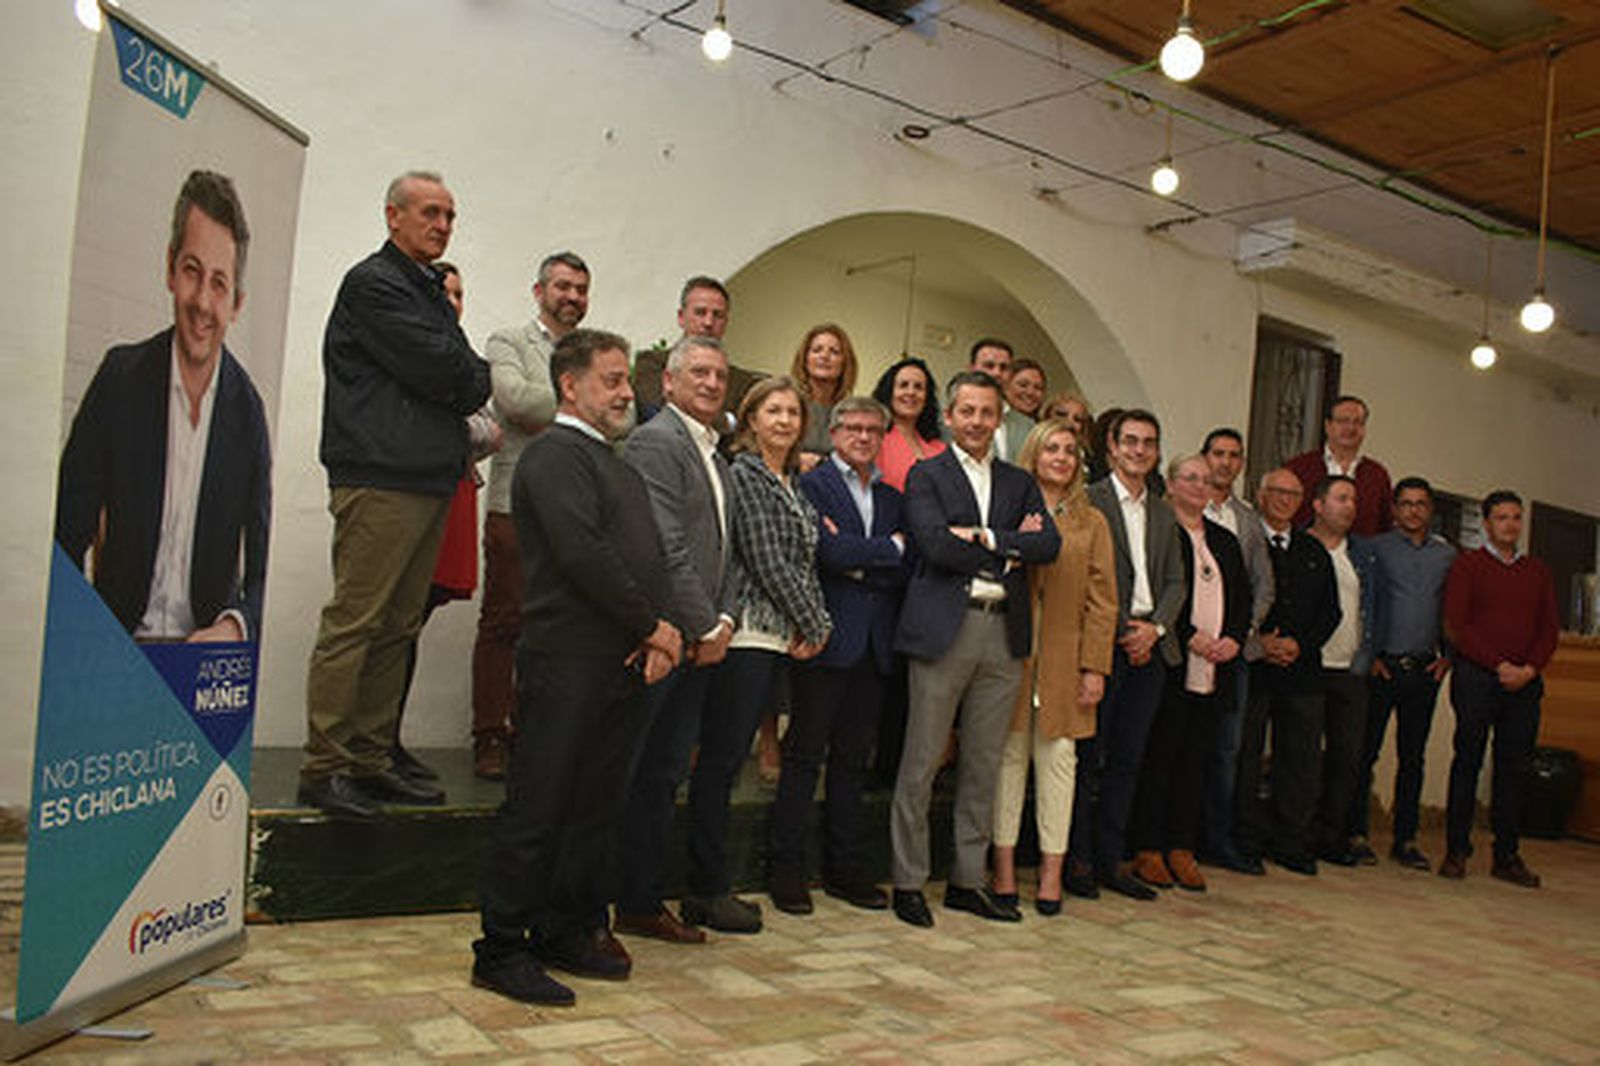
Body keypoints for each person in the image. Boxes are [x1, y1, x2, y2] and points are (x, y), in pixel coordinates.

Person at [473, 328, 682, 1007]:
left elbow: (642, 555)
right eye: (614, 379)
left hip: (615, 660)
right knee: (538, 806)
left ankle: (565, 928)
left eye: (628, 380)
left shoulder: (612, 461)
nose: (629, 392)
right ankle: (501, 949)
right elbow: (584, 555)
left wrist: (651, 633)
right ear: (571, 385)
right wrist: (652, 626)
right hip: (566, 661)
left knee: (593, 809)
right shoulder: (556, 456)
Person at [300, 170, 490, 819]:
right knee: (358, 621)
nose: (442, 225)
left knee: (397, 625)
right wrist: (464, 373)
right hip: (380, 476)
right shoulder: (375, 284)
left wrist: (465, 374)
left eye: (450, 215)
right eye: (430, 213)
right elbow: (453, 373)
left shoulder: (426, 287)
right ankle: (325, 766)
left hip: (423, 475)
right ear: (393, 217)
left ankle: (370, 759)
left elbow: (464, 378)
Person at [55, 169, 271, 644]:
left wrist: (236, 629)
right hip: (115, 646)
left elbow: (260, 569)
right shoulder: (119, 381)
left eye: (219, 284)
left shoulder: (249, 413)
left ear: (237, 303)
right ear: (170, 268)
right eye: (192, 271)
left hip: (205, 662)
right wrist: (83, 637)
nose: (202, 302)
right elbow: (64, 538)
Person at [890, 370, 1061, 928]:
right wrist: (1012, 550)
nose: (977, 422)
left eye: (987, 413)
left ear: (999, 418)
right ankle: (909, 882)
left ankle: (966, 880)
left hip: (1003, 632)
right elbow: (935, 545)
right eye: (967, 411)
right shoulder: (927, 474)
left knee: (984, 765)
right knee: (921, 760)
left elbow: (1048, 544)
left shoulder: (1018, 481)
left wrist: (987, 538)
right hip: (946, 627)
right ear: (950, 415)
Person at [687, 376, 832, 931]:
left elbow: (805, 563)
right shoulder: (745, 475)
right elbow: (768, 561)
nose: (785, 421)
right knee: (721, 764)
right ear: (750, 420)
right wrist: (817, 622)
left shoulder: (791, 482)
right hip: (745, 633)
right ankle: (706, 889)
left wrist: (813, 623)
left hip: (777, 637)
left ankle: (712, 884)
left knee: (728, 764)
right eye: (773, 411)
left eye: (793, 413)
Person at [615, 335, 736, 946]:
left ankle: (640, 900)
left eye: (719, 374)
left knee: (663, 775)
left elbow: (726, 552)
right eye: (699, 373)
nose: (712, 383)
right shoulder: (656, 443)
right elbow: (666, 544)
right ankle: (601, 903)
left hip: (701, 642)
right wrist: (705, 623)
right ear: (668, 382)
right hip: (661, 639)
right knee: (631, 771)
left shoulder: (716, 454)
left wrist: (727, 619)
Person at [770, 397, 909, 915]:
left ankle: (843, 869)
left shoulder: (894, 498)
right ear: (833, 432)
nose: (863, 437)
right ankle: (787, 870)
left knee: (852, 762)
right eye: (853, 427)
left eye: (874, 429)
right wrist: (882, 551)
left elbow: (906, 562)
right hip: (824, 638)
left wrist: (862, 555)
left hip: (874, 646)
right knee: (804, 757)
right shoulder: (812, 485)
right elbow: (823, 554)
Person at [472, 251, 591, 780]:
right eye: (562, 286)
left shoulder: (594, 350)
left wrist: (575, 407)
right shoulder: (508, 341)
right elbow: (513, 401)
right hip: (515, 504)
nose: (572, 296)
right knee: (504, 622)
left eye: (580, 289)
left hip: (576, 510)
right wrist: (584, 405)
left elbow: (623, 414)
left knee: (557, 629)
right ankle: (490, 735)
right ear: (539, 290)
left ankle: (534, 731)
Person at [991, 420, 1115, 915]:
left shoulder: (1093, 521)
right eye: (1052, 449)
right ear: (1034, 455)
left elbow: (1103, 602)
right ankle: (1001, 870)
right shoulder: (1011, 507)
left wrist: (1095, 668)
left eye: (1070, 450)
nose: (1061, 457)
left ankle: (1050, 874)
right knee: (1007, 762)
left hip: (1067, 662)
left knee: (1060, 764)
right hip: (1011, 655)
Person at [393, 261, 501, 782]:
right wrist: (448, 426)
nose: (453, 301)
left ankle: (389, 740)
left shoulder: (464, 358)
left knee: (416, 617)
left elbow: (489, 427)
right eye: (445, 291)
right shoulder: (407, 347)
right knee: (393, 621)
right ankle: (376, 741)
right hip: (410, 492)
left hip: (456, 488)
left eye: (460, 293)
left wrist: (445, 427)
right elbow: (403, 420)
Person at [1128, 455, 1250, 894]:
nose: (1200, 486)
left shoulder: (1224, 540)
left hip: (1217, 669)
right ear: (1173, 484)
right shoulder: (1162, 532)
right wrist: (1190, 636)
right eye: (1190, 478)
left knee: (1197, 760)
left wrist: (1234, 638)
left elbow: (1242, 599)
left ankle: (1182, 846)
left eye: (1205, 480)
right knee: (1161, 756)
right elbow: (1161, 592)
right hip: (1175, 661)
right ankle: (1148, 847)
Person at [1081, 409, 1185, 901]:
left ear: (1157, 451)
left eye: (1148, 443)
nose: (1139, 450)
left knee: (1128, 759)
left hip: (1152, 646)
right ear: (1113, 449)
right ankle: (1078, 860)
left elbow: (1176, 581)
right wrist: (1124, 629)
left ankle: (1111, 861)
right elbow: (1086, 578)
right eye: (1130, 442)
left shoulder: (1165, 511)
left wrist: (1155, 628)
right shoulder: (1091, 500)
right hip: (1105, 644)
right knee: (1088, 757)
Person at [1439, 490, 1559, 887]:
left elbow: (1548, 629)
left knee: (1513, 769)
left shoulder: (1537, 571)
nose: (1511, 524)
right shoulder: (1467, 566)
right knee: (1467, 761)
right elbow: (1457, 624)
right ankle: (1456, 850)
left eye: (1516, 517)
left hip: (1524, 684)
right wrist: (1498, 665)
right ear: (1487, 523)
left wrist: (1528, 669)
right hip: (1477, 678)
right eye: (1502, 517)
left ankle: (1507, 856)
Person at [1235, 468, 1340, 876]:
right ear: (1260, 496)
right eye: (1275, 491)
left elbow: (1332, 611)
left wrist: (1299, 643)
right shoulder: (1245, 540)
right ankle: (1245, 838)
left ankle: (1291, 840)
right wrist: (1262, 643)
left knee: (1299, 759)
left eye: (1292, 493)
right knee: (1246, 755)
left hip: (1302, 671)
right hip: (1255, 667)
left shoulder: (1313, 550)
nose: (1283, 499)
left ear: (1302, 502)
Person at [1347, 477, 1455, 870]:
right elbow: (1361, 603)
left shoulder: (1447, 556)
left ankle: (1405, 840)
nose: (1413, 510)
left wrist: (1449, 657)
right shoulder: (1374, 550)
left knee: (1414, 758)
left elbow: (1454, 610)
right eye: (1405, 503)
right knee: (1365, 754)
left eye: (1421, 504)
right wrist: (1370, 654)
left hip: (1424, 669)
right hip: (1382, 668)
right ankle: (1356, 833)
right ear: (1394, 510)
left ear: (1430, 510)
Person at [1197, 429, 1274, 873]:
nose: (1225, 462)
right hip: (1188, 646)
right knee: (1183, 745)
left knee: (1228, 749)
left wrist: (1240, 634)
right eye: (1218, 454)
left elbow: (1263, 585)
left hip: (1234, 653)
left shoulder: (1247, 520)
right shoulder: (1182, 506)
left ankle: (1217, 839)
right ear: (1206, 458)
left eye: (1234, 456)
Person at [1307, 475, 1377, 867]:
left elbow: (1374, 608)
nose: (1350, 506)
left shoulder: (1363, 555)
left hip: (1350, 670)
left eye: (1354, 499)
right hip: (1310, 667)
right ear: (1318, 505)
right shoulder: (1301, 546)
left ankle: (1332, 837)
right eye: (1341, 498)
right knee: (1302, 757)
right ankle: (1298, 833)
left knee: (1347, 757)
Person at [1286, 395, 1392, 536]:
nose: (1350, 428)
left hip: (1361, 555)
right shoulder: (1299, 468)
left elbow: (1385, 526)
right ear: (1328, 426)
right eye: (1343, 421)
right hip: (1308, 552)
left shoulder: (1377, 475)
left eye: (1358, 422)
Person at [871, 357, 946, 493]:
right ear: (889, 392)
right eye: (903, 385)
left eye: (918, 387)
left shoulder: (939, 448)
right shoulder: (874, 439)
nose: (911, 392)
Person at [790, 324, 858, 472]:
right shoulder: (790, 402)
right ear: (805, 358)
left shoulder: (851, 413)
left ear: (845, 363)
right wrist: (796, 459)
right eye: (817, 350)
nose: (824, 356)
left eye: (834, 352)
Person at [968, 338, 1031, 463]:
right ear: (972, 369)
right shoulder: (949, 419)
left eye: (1004, 368)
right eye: (989, 366)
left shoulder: (1027, 426)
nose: (997, 373)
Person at [1004, 357, 1047, 422]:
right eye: (1023, 385)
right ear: (1006, 386)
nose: (1030, 392)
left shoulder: (1044, 429)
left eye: (1038, 387)